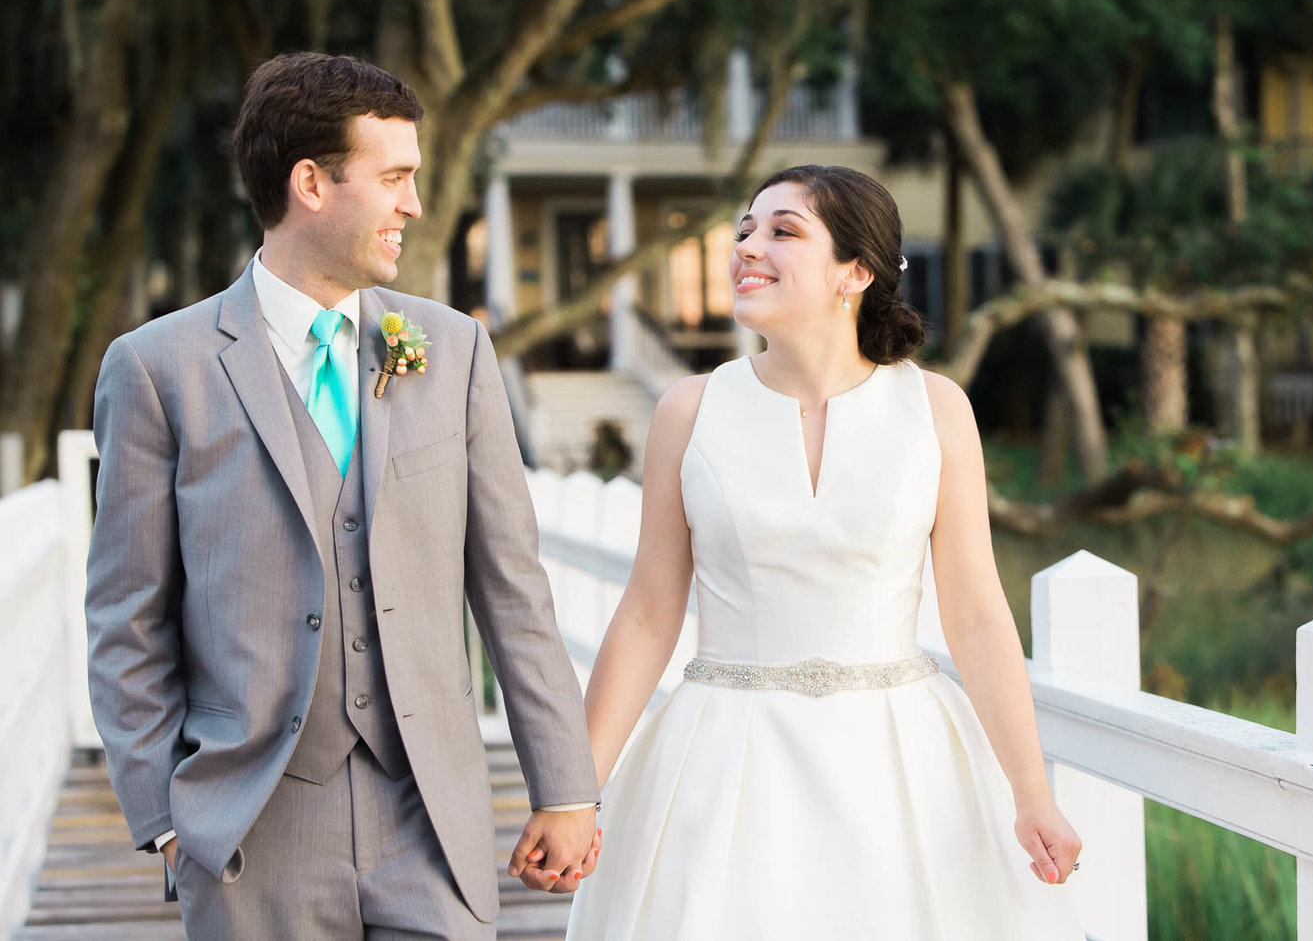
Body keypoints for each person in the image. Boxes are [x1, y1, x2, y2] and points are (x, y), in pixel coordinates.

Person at [85, 52, 599, 938]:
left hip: (430, 821)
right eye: (395, 178)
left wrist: (565, 784)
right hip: (250, 829)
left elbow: (514, 589)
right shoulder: (158, 368)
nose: (416, 206)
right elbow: (128, 615)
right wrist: (167, 824)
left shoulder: (451, 349)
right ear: (311, 183)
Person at [566, 165, 1087, 938]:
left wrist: (1031, 790)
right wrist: (575, 794)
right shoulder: (690, 410)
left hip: (898, 762)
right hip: (725, 759)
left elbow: (976, 613)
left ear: (857, 270)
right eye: (745, 228)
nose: (747, 245)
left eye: (782, 230)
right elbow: (647, 614)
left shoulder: (936, 408)